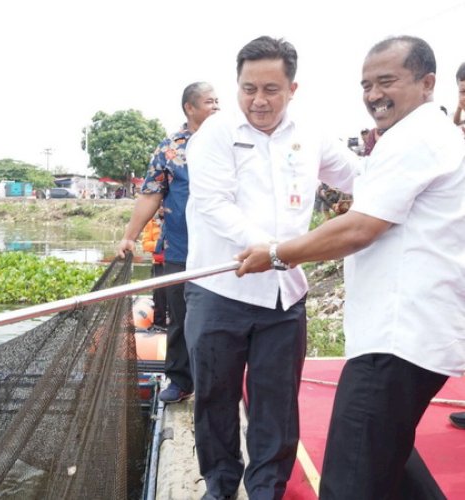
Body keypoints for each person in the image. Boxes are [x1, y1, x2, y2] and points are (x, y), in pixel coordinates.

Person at [235, 35, 465, 499]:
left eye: (386, 81)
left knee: (349, 478)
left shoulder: (416, 138)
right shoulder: (423, 136)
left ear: (427, 83)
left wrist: (278, 253)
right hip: (408, 334)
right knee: (389, 457)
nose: (374, 95)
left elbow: (360, 229)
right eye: (366, 85)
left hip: (398, 340)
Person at [185, 36, 359, 499]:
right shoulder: (215, 135)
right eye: (248, 89)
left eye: (270, 89)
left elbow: (360, 176)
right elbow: (213, 205)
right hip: (220, 290)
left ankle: (267, 489)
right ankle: (220, 486)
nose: (258, 101)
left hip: (286, 296)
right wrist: (270, 249)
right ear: (237, 85)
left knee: (276, 403)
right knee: (215, 398)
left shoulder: (310, 134)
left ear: (292, 88)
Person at [116, 81, 220, 404]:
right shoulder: (170, 149)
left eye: (218, 101)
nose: (217, 107)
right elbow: (151, 195)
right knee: (179, 316)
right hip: (180, 248)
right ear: (190, 108)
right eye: (209, 101)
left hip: (222, 250)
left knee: (220, 317)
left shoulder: (230, 140)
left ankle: (217, 382)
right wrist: (129, 236)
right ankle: (180, 380)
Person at [140, 206, 167, 330]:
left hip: (175, 263)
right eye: (159, 205)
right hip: (158, 264)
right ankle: (159, 324)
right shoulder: (151, 223)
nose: (162, 208)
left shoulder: (176, 221)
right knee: (159, 295)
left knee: (175, 294)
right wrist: (161, 245)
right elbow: (146, 244)